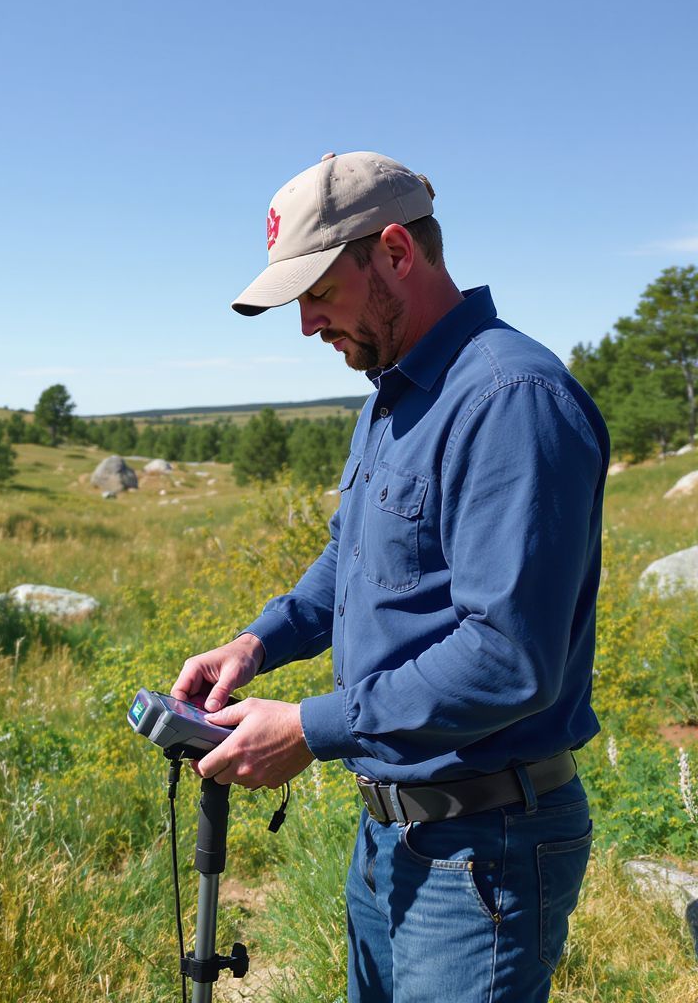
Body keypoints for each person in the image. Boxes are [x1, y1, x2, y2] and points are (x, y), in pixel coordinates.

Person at [170, 151, 609, 1002]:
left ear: (397, 253)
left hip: (486, 850)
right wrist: (257, 642)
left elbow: (505, 658)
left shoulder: (508, 399)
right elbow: (354, 560)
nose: (305, 326)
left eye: (319, 293)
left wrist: (309, 726)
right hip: (392, 840)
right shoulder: (394, 392)